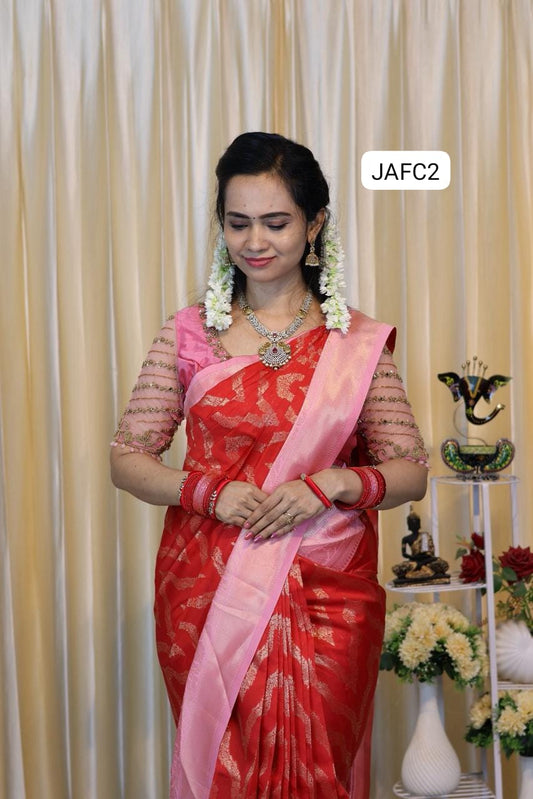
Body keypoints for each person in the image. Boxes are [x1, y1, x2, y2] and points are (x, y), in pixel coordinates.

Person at [110, 131, 428, 799]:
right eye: (238, 222)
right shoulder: (189, 333)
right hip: (207, 584)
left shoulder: (356, 343)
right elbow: (128, 458)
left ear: (314, 225)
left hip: (327, 588)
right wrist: (208, 492)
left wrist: (335, 483)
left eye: (276, 222)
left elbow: (410, 469)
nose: (254, 241)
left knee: (320, 764)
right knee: (225, 765)